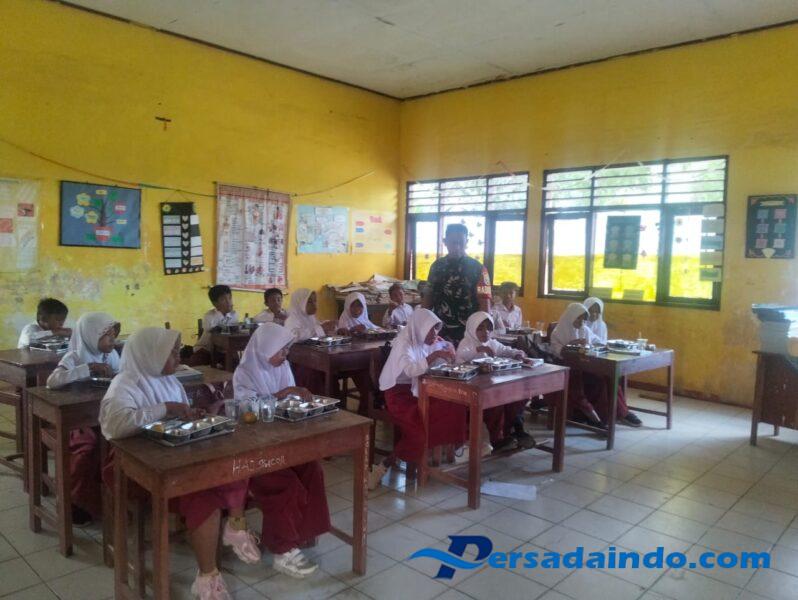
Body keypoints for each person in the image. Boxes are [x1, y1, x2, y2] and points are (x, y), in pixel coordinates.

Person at [100, 328, 261, 599]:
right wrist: (166, 408)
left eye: (177, 351)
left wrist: (193, 414)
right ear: (151, 354)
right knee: (203, 494)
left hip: (176, 457)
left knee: (232, 463)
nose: (178, 358)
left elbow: (179, 417)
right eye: (171, 353)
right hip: (137, 468)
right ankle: (208, 576)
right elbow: (114, 426)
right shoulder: (125, 383)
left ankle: (234, 525)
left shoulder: (170, 381)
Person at [233, 323, 330, 578]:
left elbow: (290, 400)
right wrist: (283, 394)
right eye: (281, 350)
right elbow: (246, 410)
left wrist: (298, 399)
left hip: (283, 441)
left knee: (312, 470)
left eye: (287, 350)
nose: (285, 356)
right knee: (285, 484)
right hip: (254, 451)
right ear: (266, 348)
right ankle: (282, 550)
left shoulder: (282, 366)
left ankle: (301, 534)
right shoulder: (245, 372)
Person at [371, 309, 468, 489]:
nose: (435, 333)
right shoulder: (403, 344)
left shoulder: (422, 341)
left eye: (437, 329)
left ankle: (457, 445)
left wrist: (445, 349)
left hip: (418, 389)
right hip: (397, 394)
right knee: (419, 429)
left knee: (452, 404)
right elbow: (410, 370)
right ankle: (385, 464)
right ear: (420, 328)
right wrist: (435, 355)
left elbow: (438, 355)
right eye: (431, 329)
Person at [45, 312, 121, 524]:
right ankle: (75, 502)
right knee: (87, 446)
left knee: (118, 444)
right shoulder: (74, 357)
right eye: (107, 336)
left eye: (113, 336)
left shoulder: (111, 356)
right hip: (76, 421)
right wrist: (86, 369)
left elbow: (121, 376)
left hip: (101, 416)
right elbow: (52, 381)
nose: (112, 341)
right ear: (90, 335)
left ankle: (108, 499)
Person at [549, 303, 641, 428]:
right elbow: (558, 353)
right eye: (578, 318)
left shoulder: (585, 330)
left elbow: (599, 342)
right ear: (570, 317)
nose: (582, 322)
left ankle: (621, 413)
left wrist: (598, 346)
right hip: (569, 368)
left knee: (609, 377)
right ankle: (598, 417)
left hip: (586, 366)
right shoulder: (558, 332)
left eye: (584, 319)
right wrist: (572, 344)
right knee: (598, 380)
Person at [456, 312, 536, 451]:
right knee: (496, 403)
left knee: (517, 398)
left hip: (490, 388)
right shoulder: (466, 343)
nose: (485, 332)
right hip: (471, 392)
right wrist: (479, 350)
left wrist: (518, 354)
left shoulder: (491, 343)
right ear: (472, 328)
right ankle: (497, 439)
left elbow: (506, 350)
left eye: (489, 328)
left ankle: (512, 431)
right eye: (480, 328)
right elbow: (462, 357)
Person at [426, 223, 492, 343]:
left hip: (469, 334)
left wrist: (483, 334)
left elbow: (485, 304)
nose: (457, 247)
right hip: (439, 332)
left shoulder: (479, 269)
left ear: (467, 242)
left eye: (460, 243)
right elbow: (428, 298)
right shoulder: (436, 267)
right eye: (453, 243)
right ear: (445, 242)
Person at [283, 288, 337, 394]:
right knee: (313, 374)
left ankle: (333, 399)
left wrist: (330, 327)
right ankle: (315, 399)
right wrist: (321, 328)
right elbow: (295, 336)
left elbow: (318, 330)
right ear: (300, 302)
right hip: (298, 362)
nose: (314, 305)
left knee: (331, 373)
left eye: (315, 301)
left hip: (314, 358)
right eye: (310, 302)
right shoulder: (291, 320)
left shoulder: (311, 318)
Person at [189, 285, 239, 366]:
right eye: (223, 299)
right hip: (206, 349)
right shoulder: (209, 316)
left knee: (236, 362)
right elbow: (214, 332)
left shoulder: (233, 315)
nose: (228, 302)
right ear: (215, 303)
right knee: (196, 364)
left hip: (225, 350)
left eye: (230, 298)